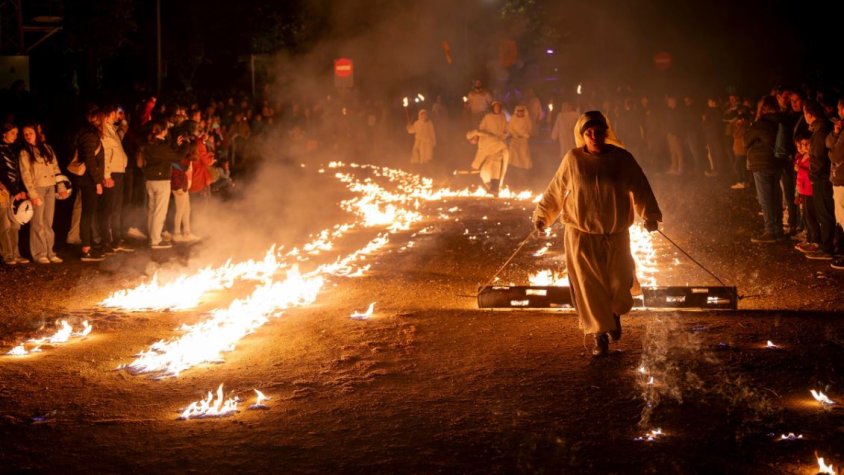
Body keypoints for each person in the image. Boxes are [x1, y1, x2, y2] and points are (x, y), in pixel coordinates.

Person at [532, 111, 662, 356]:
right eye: (588, 132)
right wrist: (542, 216)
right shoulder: (572, 159)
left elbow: (641, 187)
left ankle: (613, 314)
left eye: (598, 131)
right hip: (581, 235)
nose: (594, 136)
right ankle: (599, 335)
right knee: (589, 287)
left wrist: (651, 215)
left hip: (616, 233)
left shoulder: (622, 159)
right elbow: (556, 190)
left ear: (606, 132)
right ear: (582, 135)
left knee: (619, 282)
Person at [18, 124, 67, 263]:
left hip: (50, 187)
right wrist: (33, 195)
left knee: (48, 222)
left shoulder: (47, 148)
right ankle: (40, 253)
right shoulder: (25, 152)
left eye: (30, 133)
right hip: (38, 188)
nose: (28, 135)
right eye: (25, 134)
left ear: (36, 134)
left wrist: (61, 186)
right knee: (37, 222)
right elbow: (26, 174)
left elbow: (55, 168)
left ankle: (50, 252)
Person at [744, 96, 785, 243]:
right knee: (775, 197)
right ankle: (778, 230)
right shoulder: (782, 120)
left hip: (761, 164)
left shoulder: (761, 123)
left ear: (763, 108)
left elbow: (746, 141)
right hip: (777, 162)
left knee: (766, 199)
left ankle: (770, 232)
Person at [140, 120, 185, 249]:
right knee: (159, 211)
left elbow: (167, 154)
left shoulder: (150, 144)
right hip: (161, 182)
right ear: (162, 131)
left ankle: (152, 237)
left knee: (152, 210)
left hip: (150, 181)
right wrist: (185, 147)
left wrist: (175, 146)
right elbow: (176, 157)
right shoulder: (161, 146)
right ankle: (156, 240)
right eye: (166, 129)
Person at [803, 100, 836, 260]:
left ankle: (827, 248)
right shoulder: (821, 129)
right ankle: (827, 245)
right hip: (823, 177)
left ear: (810, 114)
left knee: (825, 213)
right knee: (824, 212)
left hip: (822, 178)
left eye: (805, 113)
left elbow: (818, 157)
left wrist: (813, 175)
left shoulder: (820, 131)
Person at [76, 106, 108, 262]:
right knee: (87, 214)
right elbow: (90, 160)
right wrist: (97, 182)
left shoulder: (89, 133)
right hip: (89, 181)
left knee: (89, 213)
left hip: (89, 180)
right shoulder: (89, 135)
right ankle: (86, 249)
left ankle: (88, 246)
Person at [0, 122, 29, 265]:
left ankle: (16, 254)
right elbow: (3, 174)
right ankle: (7, 254)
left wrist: (19, 190)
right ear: (4, 133)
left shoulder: (12, 149)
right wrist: (14, 190)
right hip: (3, 191)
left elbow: (17, 173)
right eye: (13, 133)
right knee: (4, 224)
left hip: (13, 191)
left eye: (16, 134)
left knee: (15, 224)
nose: (15, 136)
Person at [467, 100, 508, 196]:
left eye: (498, 106)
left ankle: (494, 188)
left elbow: (506, 130)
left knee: (496, 168)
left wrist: (502, 136)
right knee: (481, 166)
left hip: (498, 146)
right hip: (487, 143)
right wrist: (478, 136)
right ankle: (475, 185)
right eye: (495, 106)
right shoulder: (488, 117)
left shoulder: (503, 117)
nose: (497, 108)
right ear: (493, 108)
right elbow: (481, 128)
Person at [793, 133, 821, 254]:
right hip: (803, 191)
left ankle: (815, 241)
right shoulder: (802, 157)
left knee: (811, 216)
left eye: (806, 144)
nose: (804, 146)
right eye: (802, 144)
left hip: (810, 191)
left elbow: (811, 174)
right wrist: (797, 194)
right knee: (806, 217)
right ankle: (809, 239)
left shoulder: (812, 159)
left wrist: (801, 170)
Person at [827, 98, 844, 270]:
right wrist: (835, 133)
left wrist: (837, 136)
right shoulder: (841, 129)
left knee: (843, 216)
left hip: (842, 179)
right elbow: (828, 142)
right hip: (840, 178)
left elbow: (835, 155)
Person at [507, 104, 533, 184]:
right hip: (515, 141)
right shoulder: (513, 119)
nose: (520, 113)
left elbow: (530, 129)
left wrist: (525, 135)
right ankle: (514, 174)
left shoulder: (527, 120)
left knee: (523, 158)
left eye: (522, 111)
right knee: (514, 158)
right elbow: (510, 128)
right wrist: (515, 134)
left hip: (523, 142)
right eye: (519, 111)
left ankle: (523, 177)